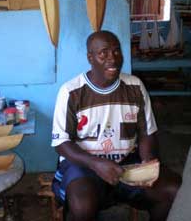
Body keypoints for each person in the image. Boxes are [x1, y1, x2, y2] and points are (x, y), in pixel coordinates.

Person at [51, 30, 181, 221]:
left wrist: (147, 162)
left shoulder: (135, 86)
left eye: (116, 51)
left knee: (173, 189)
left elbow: (146, 132)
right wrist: (96, 164)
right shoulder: (71, 92)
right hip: (85, 164)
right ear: (90, 57)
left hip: (128, 162)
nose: (112, 58)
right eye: (103, 53)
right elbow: (61, 143)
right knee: (82, 205)